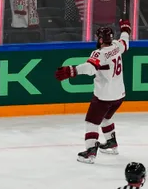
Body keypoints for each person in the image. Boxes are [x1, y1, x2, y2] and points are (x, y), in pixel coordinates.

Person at [54, 19, 131, 164]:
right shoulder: (117, 46)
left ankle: (90, 153)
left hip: (103, 97)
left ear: (101, 39)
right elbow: (125, 40)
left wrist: (72, 70)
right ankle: (111, 143)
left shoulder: (99, 53)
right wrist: (126, 28)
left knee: (91, 122)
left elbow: (90, 69)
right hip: (120, 95)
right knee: (106, 118)